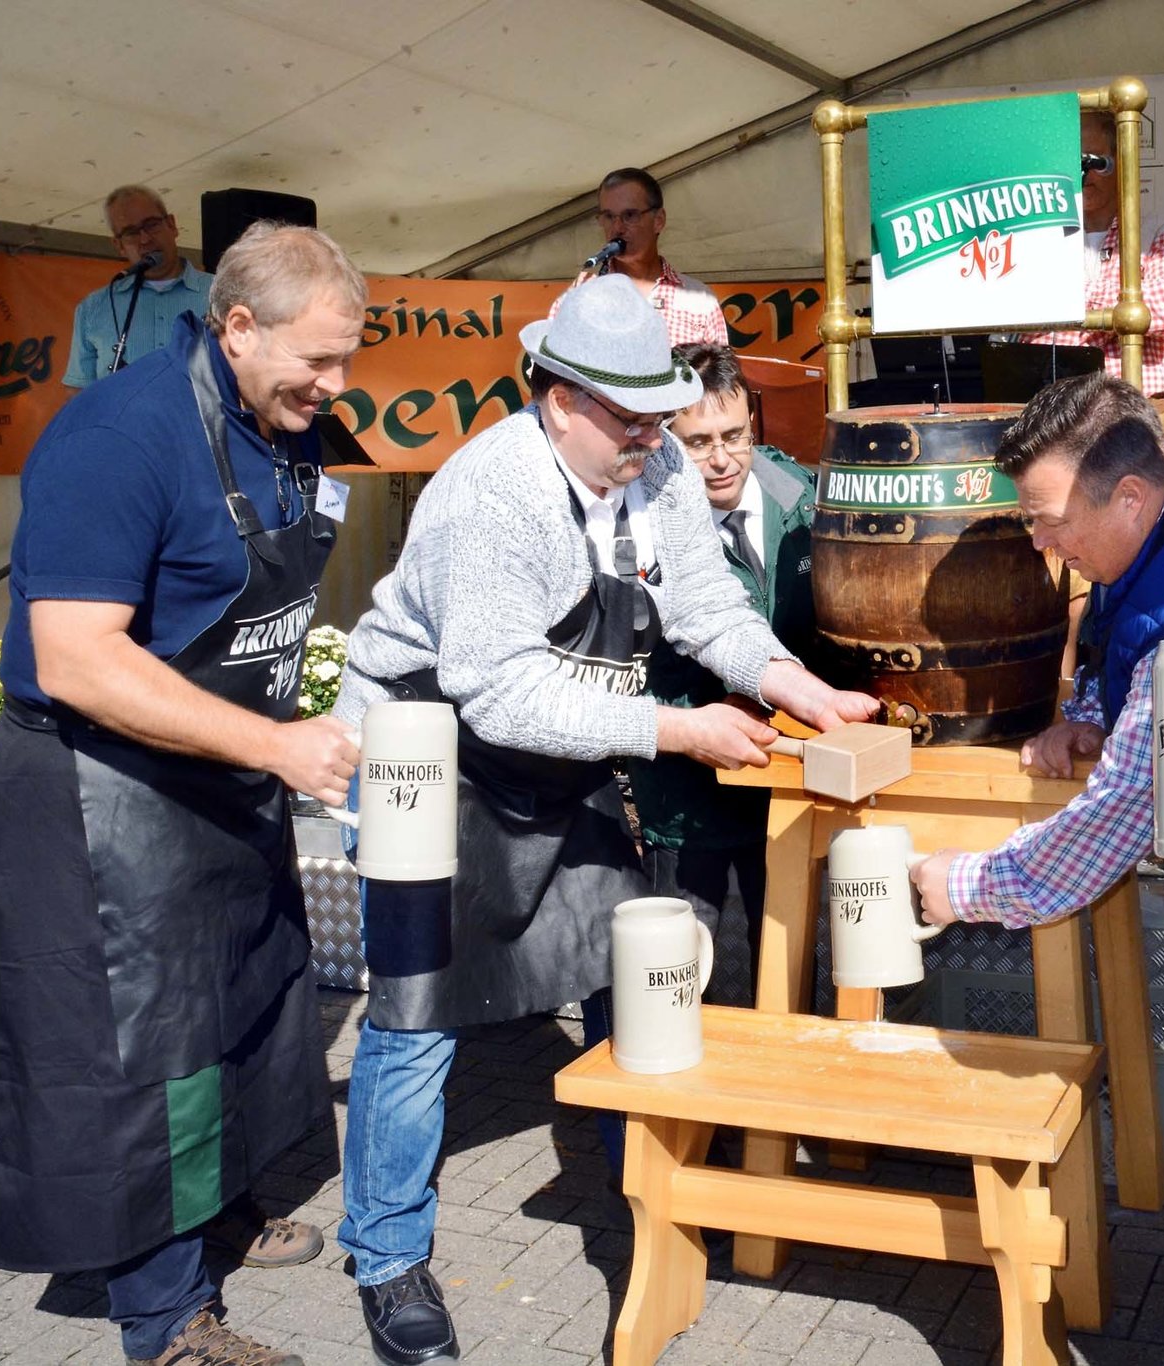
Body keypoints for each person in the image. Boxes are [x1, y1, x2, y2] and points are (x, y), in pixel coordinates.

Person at [329, 274, 875, 1366]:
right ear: (556, 396)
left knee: (624, 969)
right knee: (417, 1005)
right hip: (426, 748)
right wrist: (676, 732)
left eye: (657, 412)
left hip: (562, 743)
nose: (652, 438)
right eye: (627, 417)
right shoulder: (493, 494)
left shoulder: (655, 461)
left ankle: (654, 1202)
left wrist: (792, 686)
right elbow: (496, 689)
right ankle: (387, 1255)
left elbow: (701, 604)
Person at [0, 223, 367, 1366]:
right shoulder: (118, 434)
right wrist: (273, 744)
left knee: (239, 1014)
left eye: (349, 360)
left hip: (220, 777)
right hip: (105, 793)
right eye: (318, 361)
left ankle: (219, 1216)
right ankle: (166, 1320)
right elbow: (81, 658)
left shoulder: (282, 422)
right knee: (142, 1054)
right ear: (237, 325)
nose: (337, 389)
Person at [908, 372, 1164, 997]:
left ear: (1130, 497)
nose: (1039, 544)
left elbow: (1127, 806)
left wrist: (964, 885)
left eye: (1050, 521)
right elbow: (1126, 628)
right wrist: (1091, 709)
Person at [625, 342, 818, 1000]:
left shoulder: (807, 501)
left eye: (735, 435)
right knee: (680, 975)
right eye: (698, 441)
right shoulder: (637, 520)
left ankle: (778, 1100)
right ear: (662, 441)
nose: (722, 458)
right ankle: (677, 1106)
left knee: (789, 967)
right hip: (686, 794)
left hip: (790, 788)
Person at [1019, 110, 1164, 401]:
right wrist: (1111, 313)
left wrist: (1064, 303)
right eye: (1072, 163)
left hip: (1134, 411)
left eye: (1094, 161)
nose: (1083, 173)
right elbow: (1019, 311)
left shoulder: (1159, 230)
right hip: (1054, 411)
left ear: (1123, 163)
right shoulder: (1041, 238)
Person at [62, 184, 215, 388]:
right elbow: (78, 391)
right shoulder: (94, 308)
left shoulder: (221, 293)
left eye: (151, 225)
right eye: (131, 232)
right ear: (119, 246)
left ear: (172, 225)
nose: (145, 239)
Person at [577, 166, 728, 347]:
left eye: (630, 215)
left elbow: (721, 372)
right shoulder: (582, 292)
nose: (617, 228)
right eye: (608, 216)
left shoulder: (700, 300)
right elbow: (550, 371)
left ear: (658, 221)